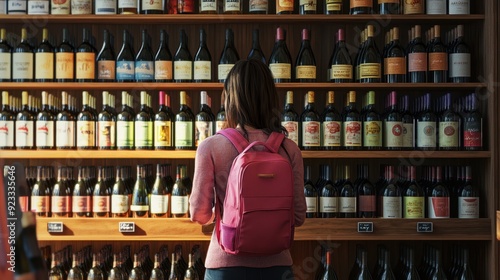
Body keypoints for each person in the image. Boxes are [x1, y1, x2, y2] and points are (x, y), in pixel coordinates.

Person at [189, 59, 307, 280]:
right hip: (277, 267)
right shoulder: (289, 149)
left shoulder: (211, 147)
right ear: (271, 98)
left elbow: (199, 214)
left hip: (225, 266)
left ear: (231, 98)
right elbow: (299, 217)